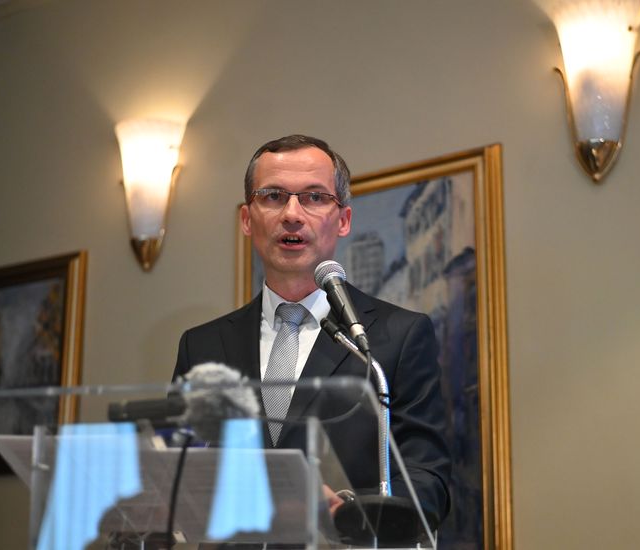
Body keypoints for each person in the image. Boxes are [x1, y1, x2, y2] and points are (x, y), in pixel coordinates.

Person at [173, 135, 451, 532]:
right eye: (273, 196)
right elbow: (174, 471)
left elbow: (429, 481)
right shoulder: (200, 346)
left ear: (343, 220)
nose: (292, 214)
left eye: (314, 197)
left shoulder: (397, 337)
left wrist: (347, 512)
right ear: (247, 219)